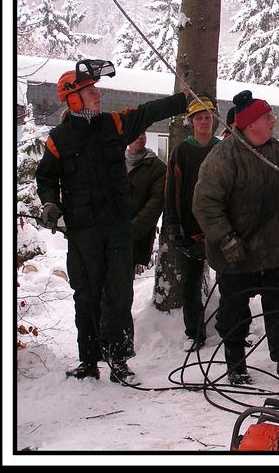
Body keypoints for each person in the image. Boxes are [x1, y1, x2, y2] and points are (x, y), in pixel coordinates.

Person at [35, 59, 188, 383]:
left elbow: (146, 112)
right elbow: (46, 176)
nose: (97, 95)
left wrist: (182, 99)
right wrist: (50, 202)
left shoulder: (114, 125)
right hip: (83, 231)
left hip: (117, 227)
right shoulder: (59, 139)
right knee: (86, 295)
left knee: (119, 294)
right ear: (74, 98)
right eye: (91, 91)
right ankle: (88, 361)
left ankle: (119, 360)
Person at [192, 89, 279, 386]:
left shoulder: (278, 151)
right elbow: (205, 204)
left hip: (271, 249)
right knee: (234, 314)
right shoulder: (223, 157)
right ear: (250, 124)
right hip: (236, 252)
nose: (273, 120)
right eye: (266, 116)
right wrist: (226, 238)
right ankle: (236, 366)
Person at [164, 93, 220, 352]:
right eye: (199, 118)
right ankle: (194, 333)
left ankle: (232, 330)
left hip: (221, 227)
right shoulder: (181, 151)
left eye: (207, 117)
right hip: (191, 228)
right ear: (191, 122)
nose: (204, 122)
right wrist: (174, 226)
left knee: (231, 281)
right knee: (190, 284)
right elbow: (172, 190)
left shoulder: (222, 148)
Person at [126, 131, 167, 272]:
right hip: (107, 235)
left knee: (121, 286)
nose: (140, 136)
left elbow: (154, 206)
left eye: (143, 132)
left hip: (132, 239)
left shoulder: (157, 168)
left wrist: (130, 231)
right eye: (137, 131)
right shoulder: (115, 163)